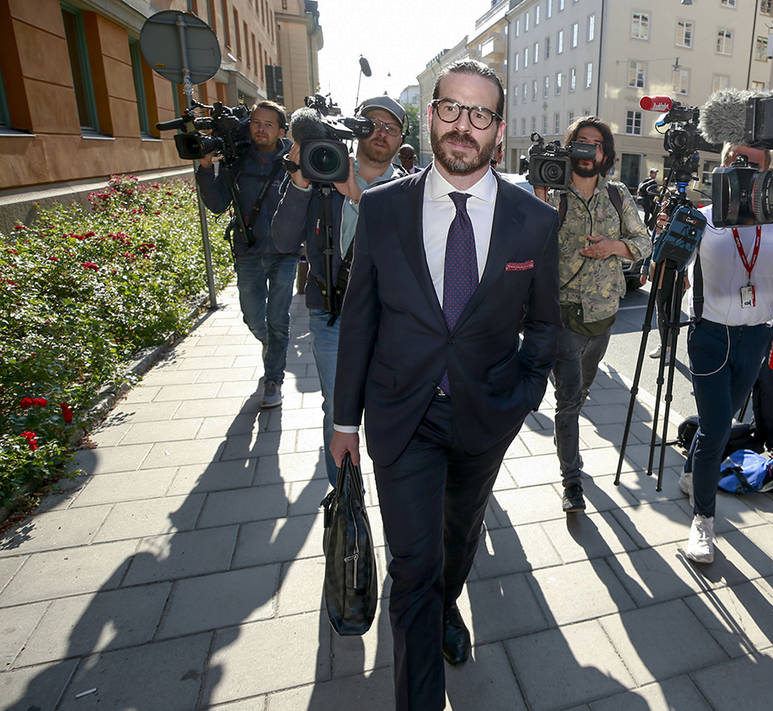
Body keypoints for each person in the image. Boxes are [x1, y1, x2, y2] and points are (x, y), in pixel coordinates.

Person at [329, 59, 560, 711]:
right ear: (431, 116)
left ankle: (447, 604)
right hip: (403, 419)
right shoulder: (381, 210)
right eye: (452, 109)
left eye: (480, 114)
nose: (464, 125)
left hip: (484, 419)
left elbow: (545, 328)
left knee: (455, 548)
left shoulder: (532, 222)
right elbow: (359, 319)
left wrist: (520, 400)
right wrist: (345, 420)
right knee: (414, 570)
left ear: (499, 130)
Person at [271, 95, 406, 486]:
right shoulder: (323, 171)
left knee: (389, 411)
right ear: (355, 130)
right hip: (331, 315)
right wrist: (299, 181)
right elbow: (282, 240)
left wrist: (360, 196)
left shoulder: (409, 189)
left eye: (391, 127)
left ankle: (396, 495)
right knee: (338, 412)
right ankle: (347, 506)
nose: (381, 132)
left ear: (400, 140)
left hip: (389, 321)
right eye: (372, 124)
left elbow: (412, 253)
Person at [678, 143, 773, 564]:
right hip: (709, 335)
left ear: (768, 170)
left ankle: (692, 474)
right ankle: (703, 523)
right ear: (721, 166)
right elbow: (666, 270)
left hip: (755, 337)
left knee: (723, 422)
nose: (742, 169)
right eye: (734, 161)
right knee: (714, 429)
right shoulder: (703, 219)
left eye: (752, 163)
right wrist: (667, 240)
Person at [534, 116, 652, 514]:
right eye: (581, 142)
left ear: (606, 154)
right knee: (568, 401)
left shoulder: (617, 195)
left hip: (603, 317)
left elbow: (644, 242)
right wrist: (537, 192)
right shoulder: (552, 193)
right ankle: (573, 480)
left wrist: (614, 247)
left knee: (579, 395)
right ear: (570, 148)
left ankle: (566, 437)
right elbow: (527, 241)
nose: (588, 150)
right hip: (563, 314)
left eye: (596, 144)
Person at [195, 100, 297, 408]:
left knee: (278, 319)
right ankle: (269, 344)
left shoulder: (292, 159)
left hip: (284, 252)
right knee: (253, 317)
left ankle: (273, 380)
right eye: (256, 122)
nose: (260, 129)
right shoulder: (237, 161)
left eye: (268, 124)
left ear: (281, 130)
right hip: (248, 250)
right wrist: (205, 167)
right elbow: (216, 204)